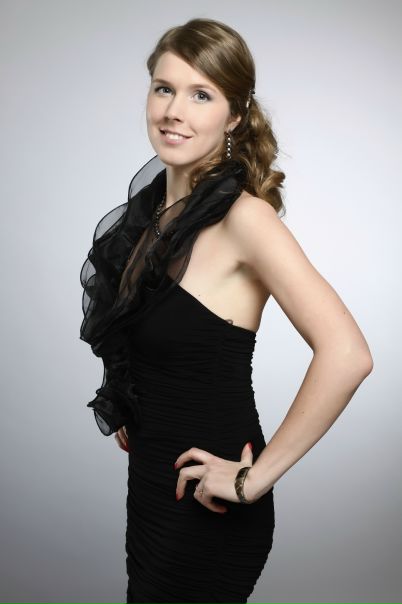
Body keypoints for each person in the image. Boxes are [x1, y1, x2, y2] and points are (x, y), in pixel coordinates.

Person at [79, 17, 374, 604]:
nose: (174, 111)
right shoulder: (150, 219)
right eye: (164, 88)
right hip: (155, 492)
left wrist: (252, 478)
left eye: (201, 95)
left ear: (235, 115)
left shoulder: (245, 219)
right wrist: (131, 397)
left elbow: (348, 355)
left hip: (209, 507)